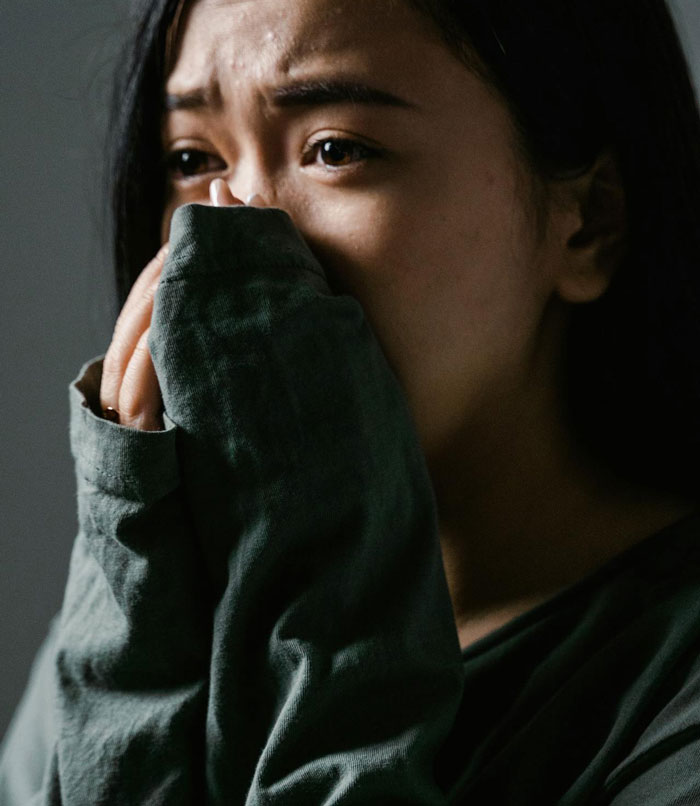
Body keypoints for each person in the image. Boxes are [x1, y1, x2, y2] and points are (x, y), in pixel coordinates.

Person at [2, 0, 700, 802]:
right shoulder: (133, 634)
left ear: (588, 223)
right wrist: (128, 575)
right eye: (193, 160)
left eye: (335, 149)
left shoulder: (674, 694)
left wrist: (328, 610)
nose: (223, 235)